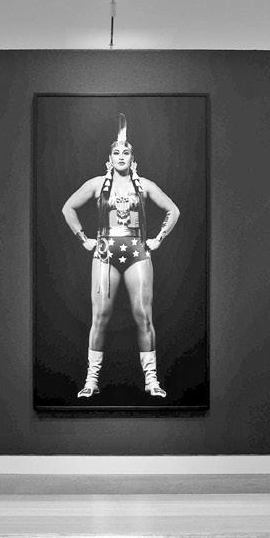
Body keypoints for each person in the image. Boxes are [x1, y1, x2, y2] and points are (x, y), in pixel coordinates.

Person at [60, 114, 180, 399]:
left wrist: (158, 239)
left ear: (133, 159)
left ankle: (151, 380)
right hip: (105, 252)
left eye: (126, 152)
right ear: (109, 159)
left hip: (137, 251)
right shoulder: (97, 184)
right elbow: (68, 208)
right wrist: (84, 239)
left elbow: (173, 210)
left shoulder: (144, 185)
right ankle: (91, 381)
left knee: (143, 315)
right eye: (116, 152)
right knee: (100, 316)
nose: (121, 156)